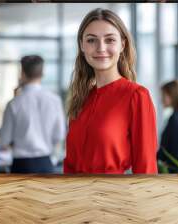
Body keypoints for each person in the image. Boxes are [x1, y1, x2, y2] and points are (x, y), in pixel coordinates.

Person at [64, 8, 158, 174]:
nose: (100, 48)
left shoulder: (136, 96)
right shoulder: (81, 98)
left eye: (109, 40)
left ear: (122, 44)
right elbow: (70, 163)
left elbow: (146, 167)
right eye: (91, 40)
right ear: (82, 45)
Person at [0, 55, 66, 173]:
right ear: (42, 73)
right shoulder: (55, 100)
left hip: (20, 165)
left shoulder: (13, 104)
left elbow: (4, 141)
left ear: (22, 73)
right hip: (46, 164)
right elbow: (59, 135)